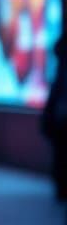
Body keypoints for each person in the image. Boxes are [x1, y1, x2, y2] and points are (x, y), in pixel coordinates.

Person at [40, 36, 67, 202]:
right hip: (60, 117)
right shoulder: (61, 69)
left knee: (60, 154)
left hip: (60, 117)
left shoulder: (61, 68)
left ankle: (61, 187)